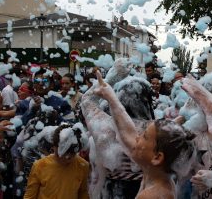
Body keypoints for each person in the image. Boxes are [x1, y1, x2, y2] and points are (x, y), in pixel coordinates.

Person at [90, 71, 196, 199]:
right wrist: (110, 97)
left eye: (144, 136)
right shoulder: (156, 173)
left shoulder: (152, 195)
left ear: (157, 157)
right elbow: (128, 132)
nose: (137, 137)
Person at [24, 124, 89, 199]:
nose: (67, 157)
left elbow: (83, 192)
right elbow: (29, 196)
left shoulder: (82, 166)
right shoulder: (40, 166)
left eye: (72, 154)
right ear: (54, 147)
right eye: (62, 153)